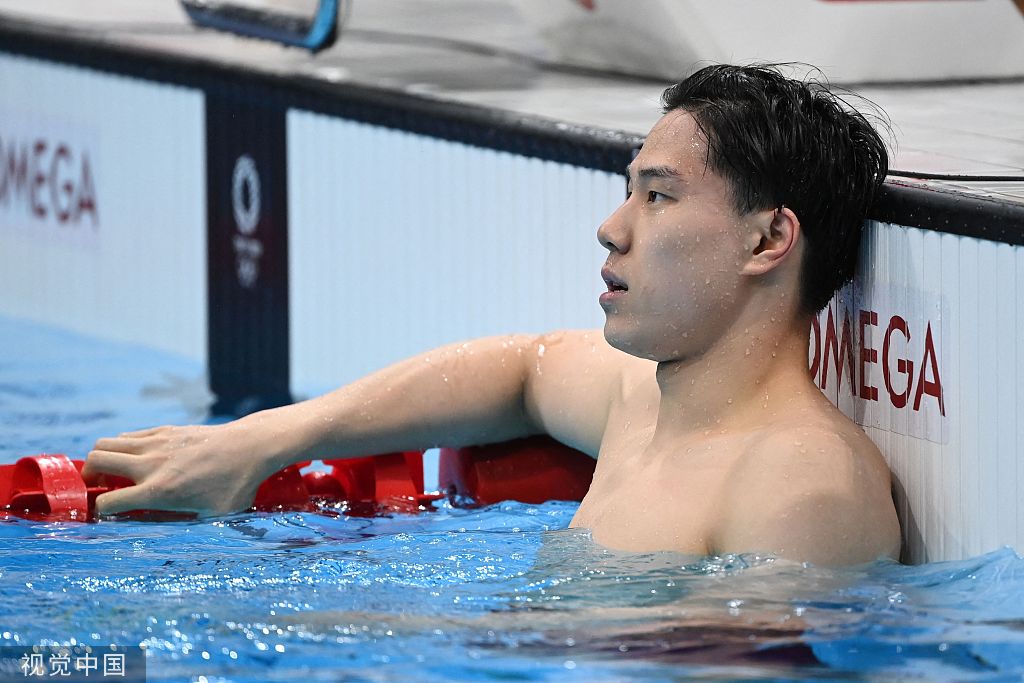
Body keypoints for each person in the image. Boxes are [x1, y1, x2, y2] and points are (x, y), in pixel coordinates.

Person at [83, 64, 901, 566]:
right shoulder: (646, 404)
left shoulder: (798, 491)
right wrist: (263, 438)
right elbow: (524, 368)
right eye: (627, 192)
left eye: (658, 197)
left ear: (768, 239)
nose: (612, 227)